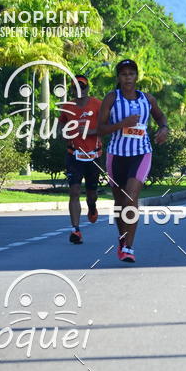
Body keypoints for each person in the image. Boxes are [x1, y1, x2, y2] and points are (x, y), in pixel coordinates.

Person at [98, 59, 169, 263]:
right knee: (120, 202)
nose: (127, 77)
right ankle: (122, 240)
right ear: (118, 78)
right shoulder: (112, 98)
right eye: (123, 74)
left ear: (137, 76)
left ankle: (129, 246)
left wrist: (164, 129)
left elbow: (160, 117)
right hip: (116, 154)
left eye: (131, 74)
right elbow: (100, 129)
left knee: (131, 197)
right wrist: (122, 124)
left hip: (141, 153)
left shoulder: (147, 99)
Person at [59, 75, 102, 245]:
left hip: (93, 155)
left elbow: (107, 126)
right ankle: (75, 230)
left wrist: (90, 131)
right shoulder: (67, 106)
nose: (80, 90)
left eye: (82, 87)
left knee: (91, 193)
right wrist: (65, 132)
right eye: (76, 87)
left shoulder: (98, 104)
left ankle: (92, 207)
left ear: (87, 88)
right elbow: (61, 125)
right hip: (74, 154)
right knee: (74, 191)